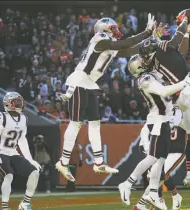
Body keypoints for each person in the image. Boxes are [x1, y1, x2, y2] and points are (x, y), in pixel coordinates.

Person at [56, 14, 156, 182]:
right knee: (76, 123)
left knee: (95, 124)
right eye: (113, 28)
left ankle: (99, 162)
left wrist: (153, 38)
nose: (117, 30)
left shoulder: (110, 43)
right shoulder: (100, 39)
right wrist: (146, 32)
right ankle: (63, 162)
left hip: (89, 83)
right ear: (103, 30)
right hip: (79, 80)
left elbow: (130, 50)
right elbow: (125, 44)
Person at [138, 12, 190, 190]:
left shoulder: (155, 58)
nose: (165, 28)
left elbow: (181, 51)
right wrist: (184, 23)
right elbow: (175, 41)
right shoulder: (161, 47)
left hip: (176, 96)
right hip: (187, 88)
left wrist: (187, 31)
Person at [118, 54, 190, 210]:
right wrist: (183, 83)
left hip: (165, 120)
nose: (146, 61)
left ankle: (154, 192)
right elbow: (163, 91)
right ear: (139, 67)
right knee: (153, 158)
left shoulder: (153, 73)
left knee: (160, 159)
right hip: (158, 120)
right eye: (143, 61)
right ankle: (127, 183)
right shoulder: (144, 79)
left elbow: (166, 68)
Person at [0, 92, 41, 210]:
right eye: (17, 102)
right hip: (1, 152)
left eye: (20, 101)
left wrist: (30, 159)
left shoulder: (23, 118)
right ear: (8, 104)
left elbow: (22, 141)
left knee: (35, 173)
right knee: (9, 176)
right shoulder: (1, 116)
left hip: (14, 152)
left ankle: (25, 203)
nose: (20, 104)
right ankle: (5, 207)